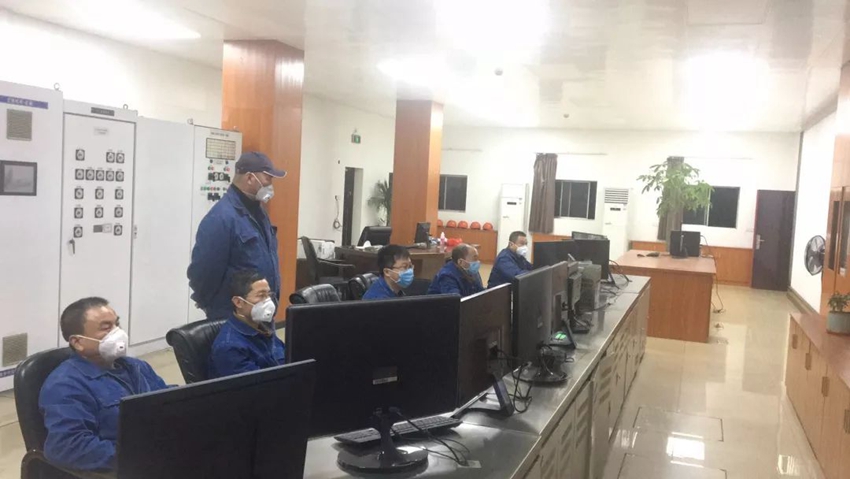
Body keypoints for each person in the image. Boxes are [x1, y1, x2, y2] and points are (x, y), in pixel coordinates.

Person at [39, 298, 168, 471]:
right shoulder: (65, 385)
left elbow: (167, 400)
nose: (118, 333)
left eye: (117, 324)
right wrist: (137, 456)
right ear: (78, 342)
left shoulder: (136, 367)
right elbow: (68, 446)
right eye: (106, 328)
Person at [187, 151, 286, 320]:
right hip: (232, 317)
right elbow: (202, 273)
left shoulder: (259, 212)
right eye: (268, 179)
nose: (270, 185)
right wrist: (214, 307)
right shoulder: (221, 218)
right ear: (250, 178)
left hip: (261, 312)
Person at [208, 269, 286, 379]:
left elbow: (286, 360)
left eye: (269, 294)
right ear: (238, 302)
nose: (268, 301)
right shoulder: (229, 347)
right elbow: (258, 385)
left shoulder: (263, 328)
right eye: (261, 295)